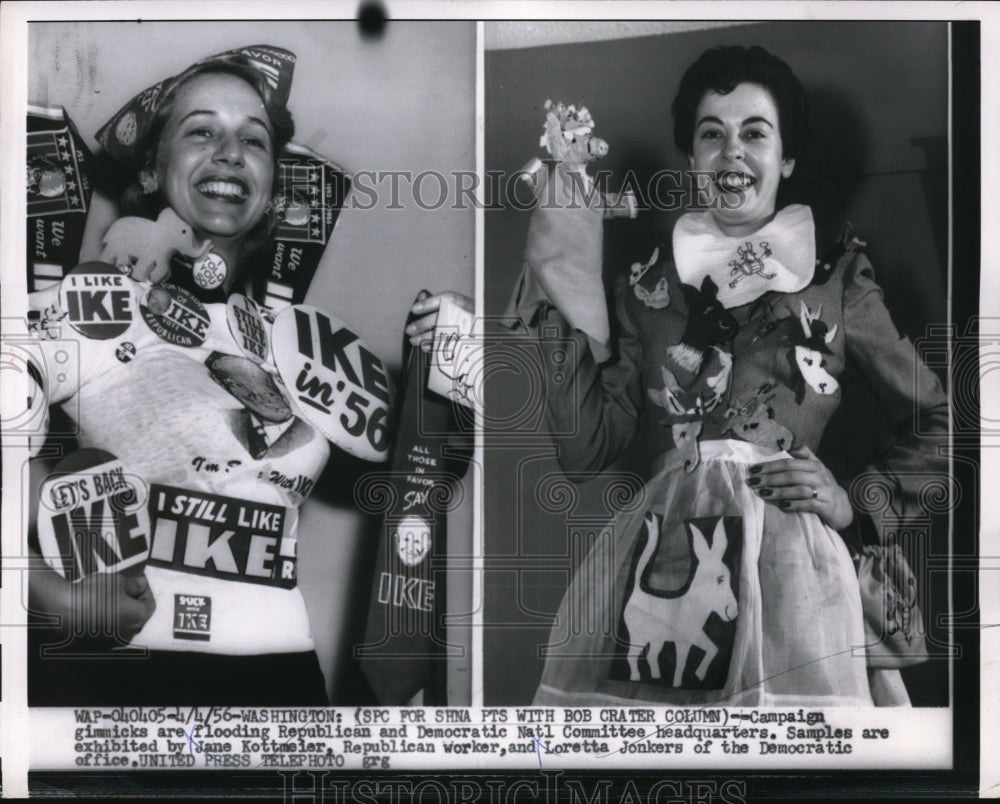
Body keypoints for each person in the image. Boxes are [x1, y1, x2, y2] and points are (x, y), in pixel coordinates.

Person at [509, 45, 949, 707]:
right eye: (711, 134)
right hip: (667, 562)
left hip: (795, 574)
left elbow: (944, 425)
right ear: (691, 157)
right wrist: (562, 281)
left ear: (787, 158)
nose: (731, 153)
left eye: (754, 134)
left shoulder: (835, 282)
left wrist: (855, 502)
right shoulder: (648, 290)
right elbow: (582, 449)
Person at [25, 46, 453, 705]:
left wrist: (446, 379)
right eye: (201, 131)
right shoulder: (91, 305)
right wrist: (56, 600)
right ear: (151, 167)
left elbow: (417, 487)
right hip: (129, 680)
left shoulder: (297, 340)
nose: (229, 153)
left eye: (251, 139)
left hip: (284, 678)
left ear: (272, 180)